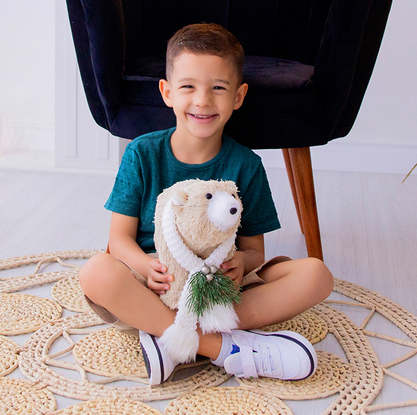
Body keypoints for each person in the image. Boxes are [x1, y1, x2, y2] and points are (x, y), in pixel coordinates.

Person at [78, 23, 335, 385]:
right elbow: (118, 241)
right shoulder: (141, 153)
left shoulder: (246, 165)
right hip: (156, 287)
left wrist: (240, 264)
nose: (202, 101)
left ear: (238, 96)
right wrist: (146, 267)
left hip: (218, 292)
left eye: (218, 88)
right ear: (167, 92)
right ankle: (224, 349)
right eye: (188, 87)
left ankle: (167, 337)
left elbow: (254, 252)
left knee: (317, 275)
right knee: (95, 272)